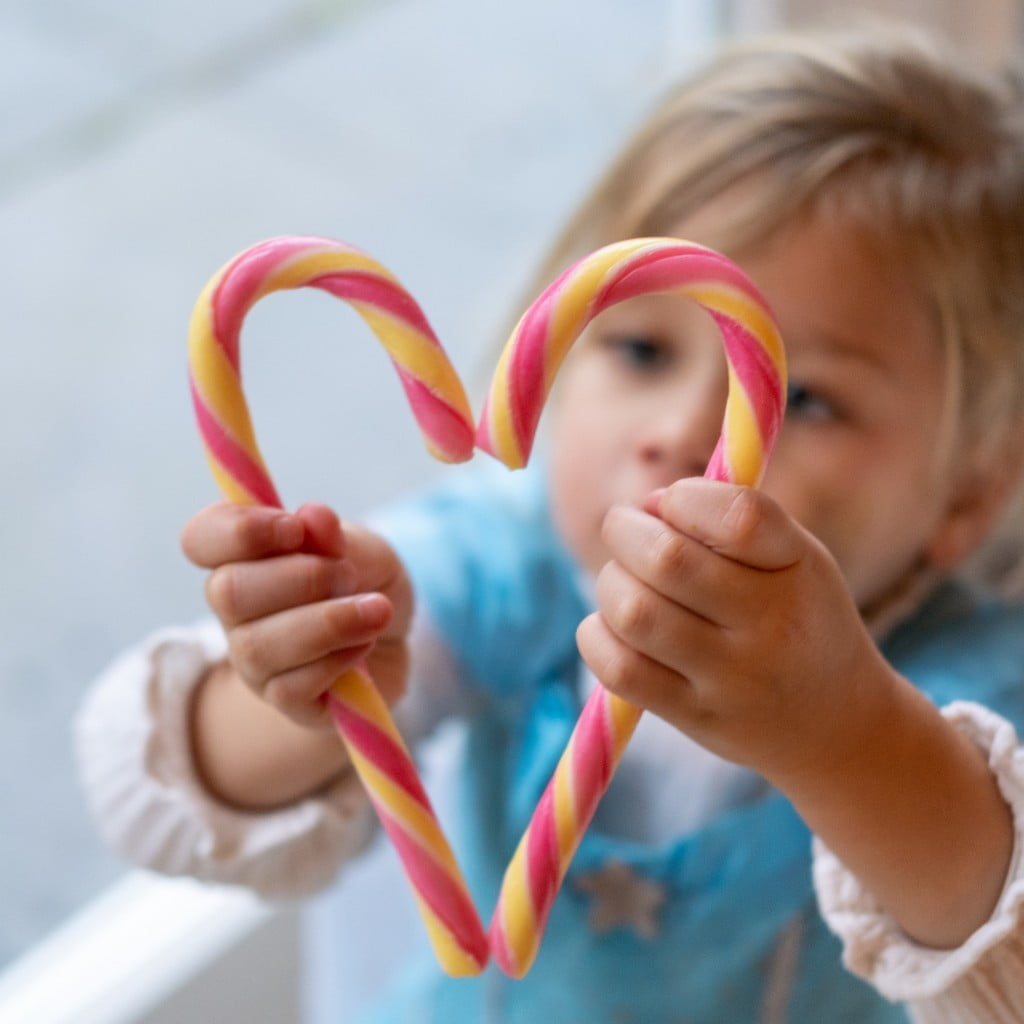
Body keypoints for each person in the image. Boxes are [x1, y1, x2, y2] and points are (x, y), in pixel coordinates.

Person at [76, 22, 1024, 1024]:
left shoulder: (974, 700)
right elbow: (154, 807)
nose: (684, 435)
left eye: (811, 400)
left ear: (964, 497)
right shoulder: (505, 563)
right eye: (643, 351)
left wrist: (845, 732)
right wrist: (292, 693)